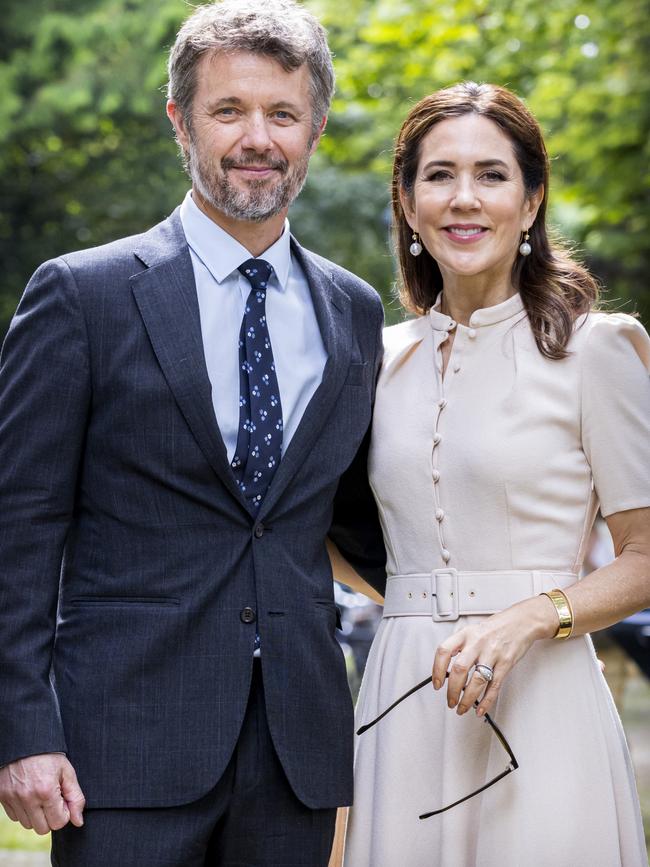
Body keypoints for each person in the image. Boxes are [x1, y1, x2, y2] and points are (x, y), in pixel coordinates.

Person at [0, 2, 386, 864]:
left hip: (298, 749)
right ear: (181, 121)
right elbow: (18, 528)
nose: (259, 138)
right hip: (123, 749)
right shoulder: (81, 295)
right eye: (229, 111)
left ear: (315, 127)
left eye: (282, 113)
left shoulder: (353, 311)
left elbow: (358, 516)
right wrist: (22, 726)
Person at [339, 82, 650, 866]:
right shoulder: (374, 359)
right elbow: (313, 524)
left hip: (543, 692)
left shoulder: (597, 349)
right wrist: (416, 608)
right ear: (407, 205)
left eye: (492, 174)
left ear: (533, 197)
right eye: (438, 175)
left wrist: (527, 614)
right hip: (403, 692)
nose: (463, 199)